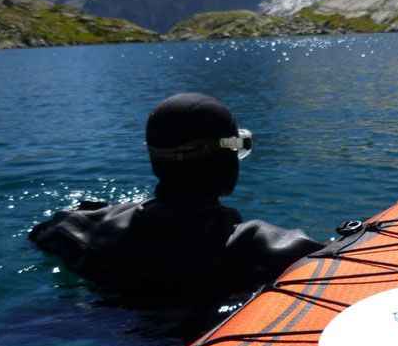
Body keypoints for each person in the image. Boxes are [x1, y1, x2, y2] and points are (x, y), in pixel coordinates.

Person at [30, 93, 324, 299]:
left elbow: (39, 236)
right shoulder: (254, 245)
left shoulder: (80, 225)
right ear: (222, 159)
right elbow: (337, 264)